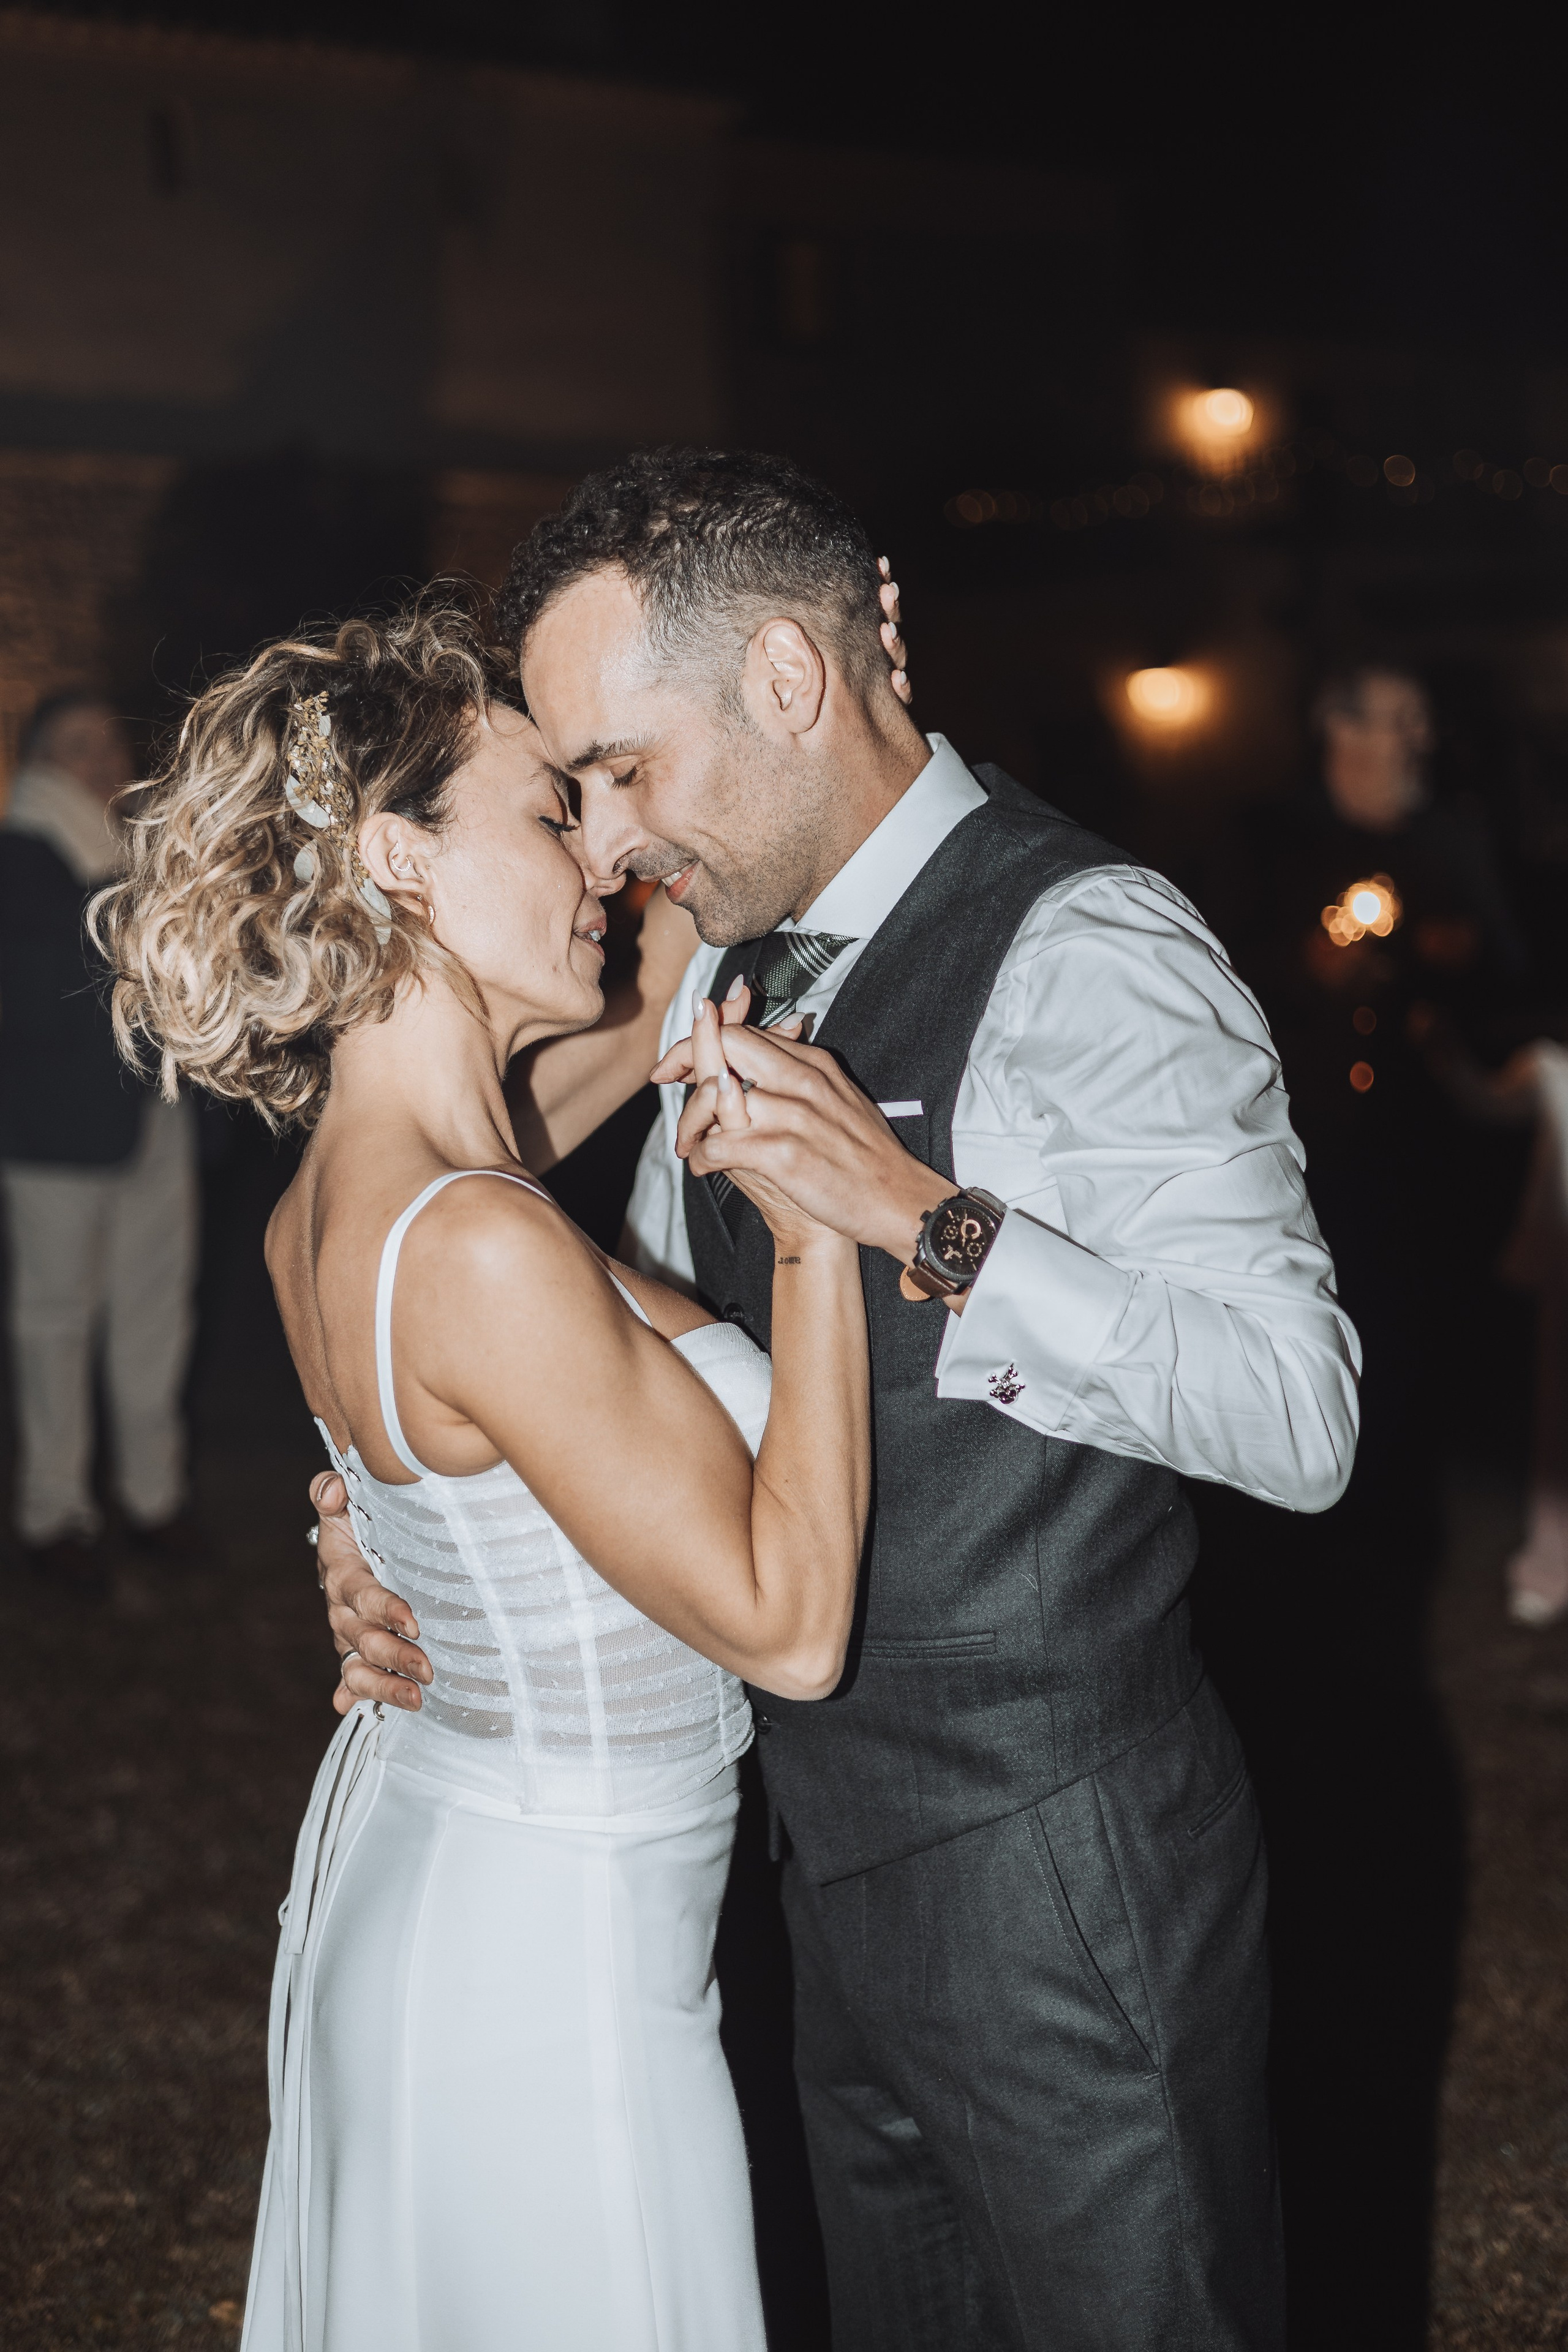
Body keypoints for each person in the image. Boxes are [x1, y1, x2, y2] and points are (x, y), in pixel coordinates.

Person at [317, 449, 1361, 2351]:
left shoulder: (1090, 946)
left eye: (624, 769)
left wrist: (924, 1222)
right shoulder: (716, 956)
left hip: (1061, 1880)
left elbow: (1300, 1418)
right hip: (809, 1880)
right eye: (574, 795)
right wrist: (424, 1527)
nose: (605, 843)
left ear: (790, 681)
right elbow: (566, 1308)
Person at [94, 597, 874, 2351]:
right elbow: (791, 1626)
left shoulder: (368, 1186)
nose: (602, 855)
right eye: (550, 813)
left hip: (466, 1872)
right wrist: (818, 1227)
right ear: (400, 858)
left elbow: (670, 968)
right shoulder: (472, 1239)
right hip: (549, 1972)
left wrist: (809, 682)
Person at [0, 688, 198, 1594]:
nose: (104, 760)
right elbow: (43, 988)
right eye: (79, 744)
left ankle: (154, 1499)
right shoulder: (21, 857)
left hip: (154, 1117)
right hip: (54, 1134)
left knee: (157, 1315)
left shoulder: (136, 854)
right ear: (41, 761)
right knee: (55, 1322)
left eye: (111, 743)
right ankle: (54, 1514)